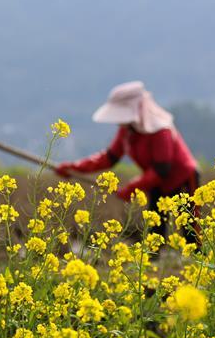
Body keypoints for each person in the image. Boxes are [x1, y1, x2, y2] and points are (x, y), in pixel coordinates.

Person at [55, 81, 200, 241]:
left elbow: (162, 169)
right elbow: (109, 157)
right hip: (157, 183)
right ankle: (151, 263)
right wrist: (74, 168)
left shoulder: (161, 130)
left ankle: (199, 261)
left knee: (191, 229)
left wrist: (132, 188)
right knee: (154, 229)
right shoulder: (127, 131)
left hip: (182, 179)